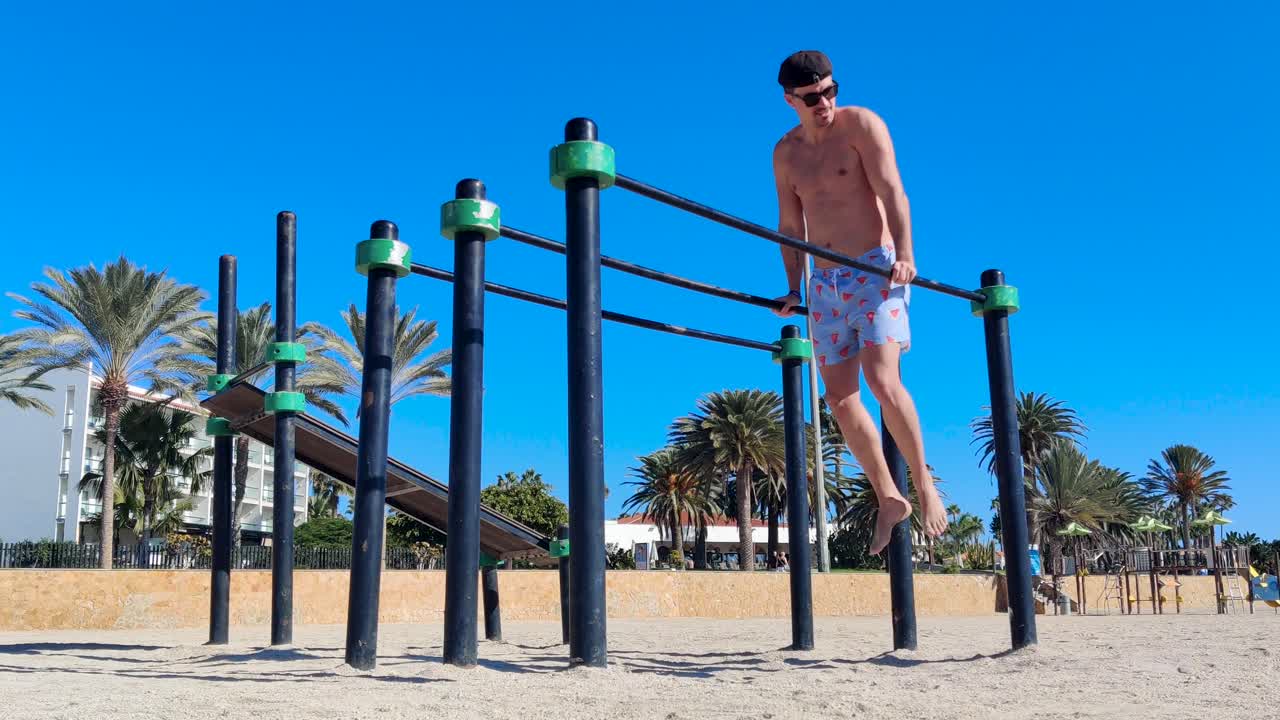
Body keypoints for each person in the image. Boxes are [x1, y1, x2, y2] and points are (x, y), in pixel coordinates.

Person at [769, 50, 948, 555]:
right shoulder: (785, 154)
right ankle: (889, 497)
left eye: (830, 91)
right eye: (812, 97)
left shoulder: (863, 125)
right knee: (839, 399)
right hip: (824, 283)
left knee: (882, 380)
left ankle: (924, 486)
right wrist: (794, 289)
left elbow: (893, 191)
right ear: (790, 100)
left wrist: (906, 255)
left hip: (875, 269)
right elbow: (790, 226)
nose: (824, 102)